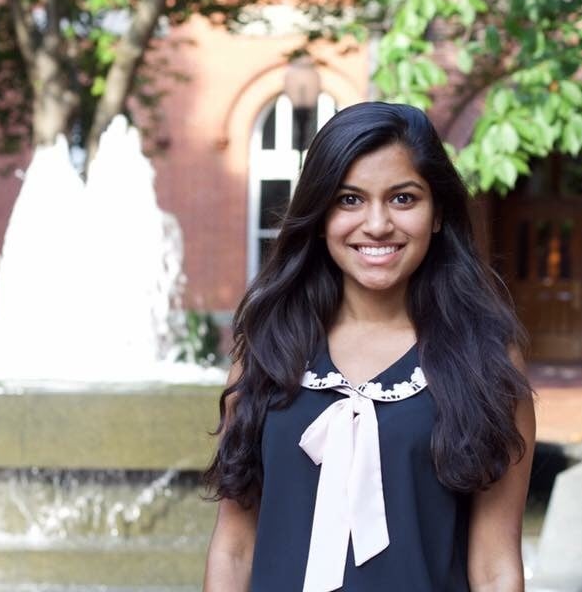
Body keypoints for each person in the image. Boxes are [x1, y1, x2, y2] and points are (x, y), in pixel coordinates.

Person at [203, 101, 535, 592]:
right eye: (349, 200)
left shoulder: (485, 361)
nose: (377, 224)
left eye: (403, 199)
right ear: (319, 216)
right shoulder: (268, 352)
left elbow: (496, 567)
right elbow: (235, 547)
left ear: (438, 212)